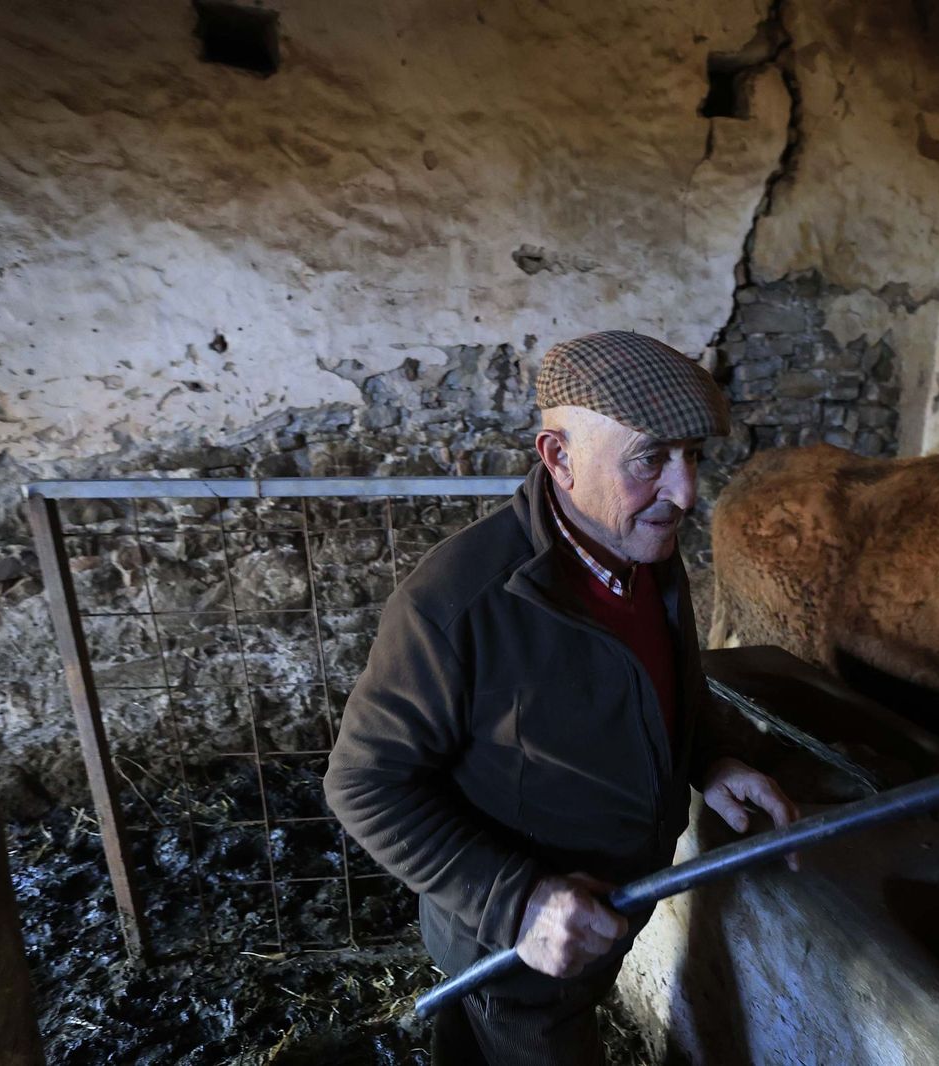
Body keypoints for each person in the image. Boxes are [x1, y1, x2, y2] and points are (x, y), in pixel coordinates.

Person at [324, 330, 799, 1065]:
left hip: (602, 918)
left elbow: (666, 689)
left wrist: (714, 758)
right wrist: (519, 902)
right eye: (651, 459)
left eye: (693, 456)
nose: (685, 493)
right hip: (515, 953)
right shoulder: (458, 603)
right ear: (559, 457)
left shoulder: (646, 558)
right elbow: (363, 783)